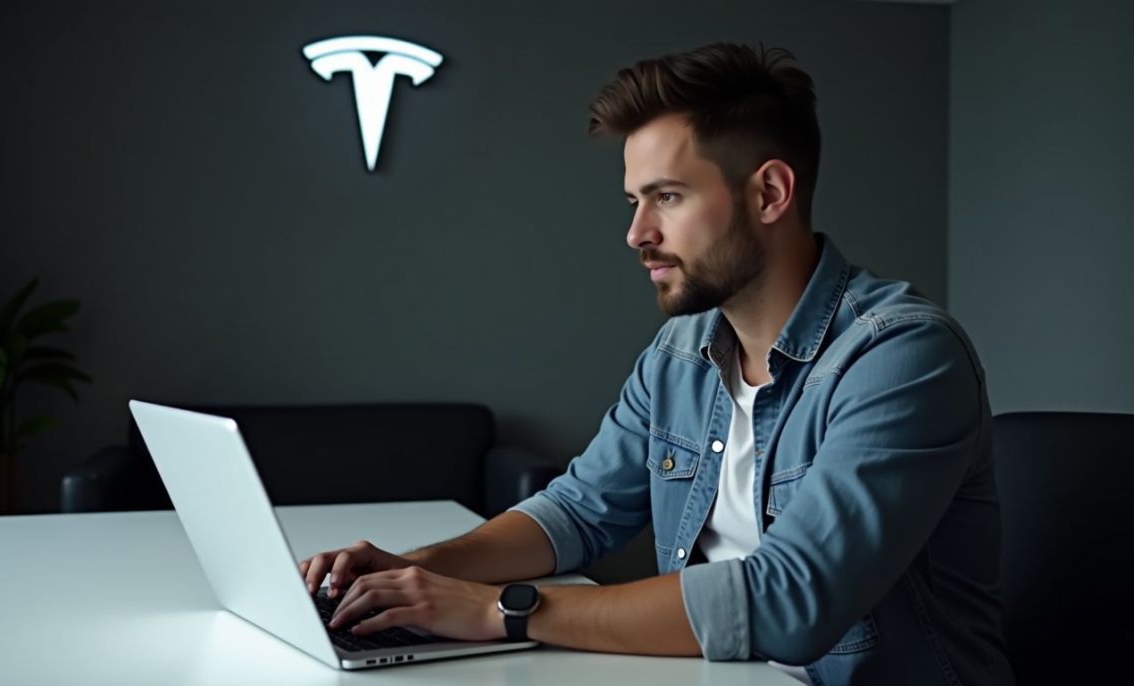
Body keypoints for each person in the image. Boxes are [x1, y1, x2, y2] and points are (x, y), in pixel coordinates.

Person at [299, 43, 1014, 685]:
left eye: (667, 197)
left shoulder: (902, 357)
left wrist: (505, 610)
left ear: (769, 193)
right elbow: (578, 512)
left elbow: (792, 598)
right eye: (635, 201)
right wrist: (415, 569)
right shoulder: (682, 353)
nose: (638, 233)